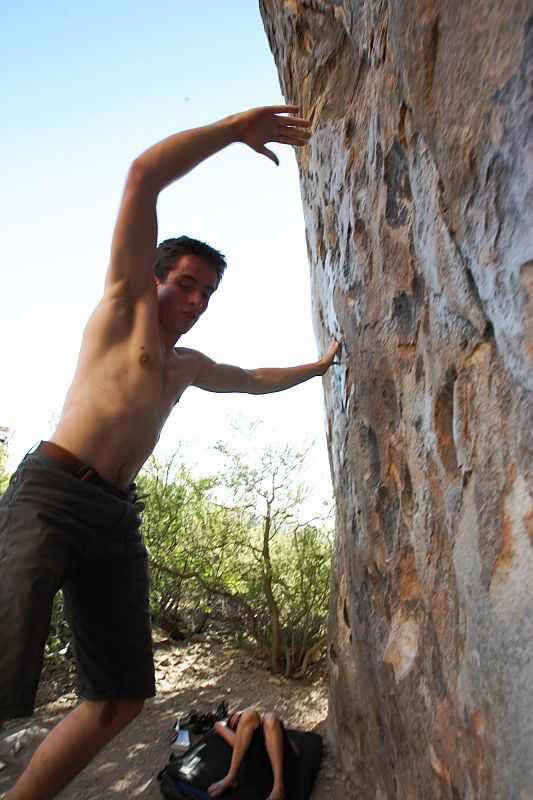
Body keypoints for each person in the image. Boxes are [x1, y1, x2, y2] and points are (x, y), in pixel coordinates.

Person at [0, 105, 339, 800]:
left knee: (120, 699)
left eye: (207, 293)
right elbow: (143, 177)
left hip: (114, 518)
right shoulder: (123, 310)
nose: (195, 300)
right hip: (53, 494)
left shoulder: (185, 365)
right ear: (155, 277)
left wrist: (317, 368)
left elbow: (246, 382)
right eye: (186, 282)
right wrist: (234, 130)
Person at [208, 709, 297, 800]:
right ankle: (231, 777)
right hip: (264, 772)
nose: (240, 720)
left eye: (240, 717)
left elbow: (294, 750)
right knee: (260, 717)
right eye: (237, 724)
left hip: (283, 764)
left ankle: (278, 787)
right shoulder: (241, 742)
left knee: (267, 718)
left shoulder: (269, 727)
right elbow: (218, 725)